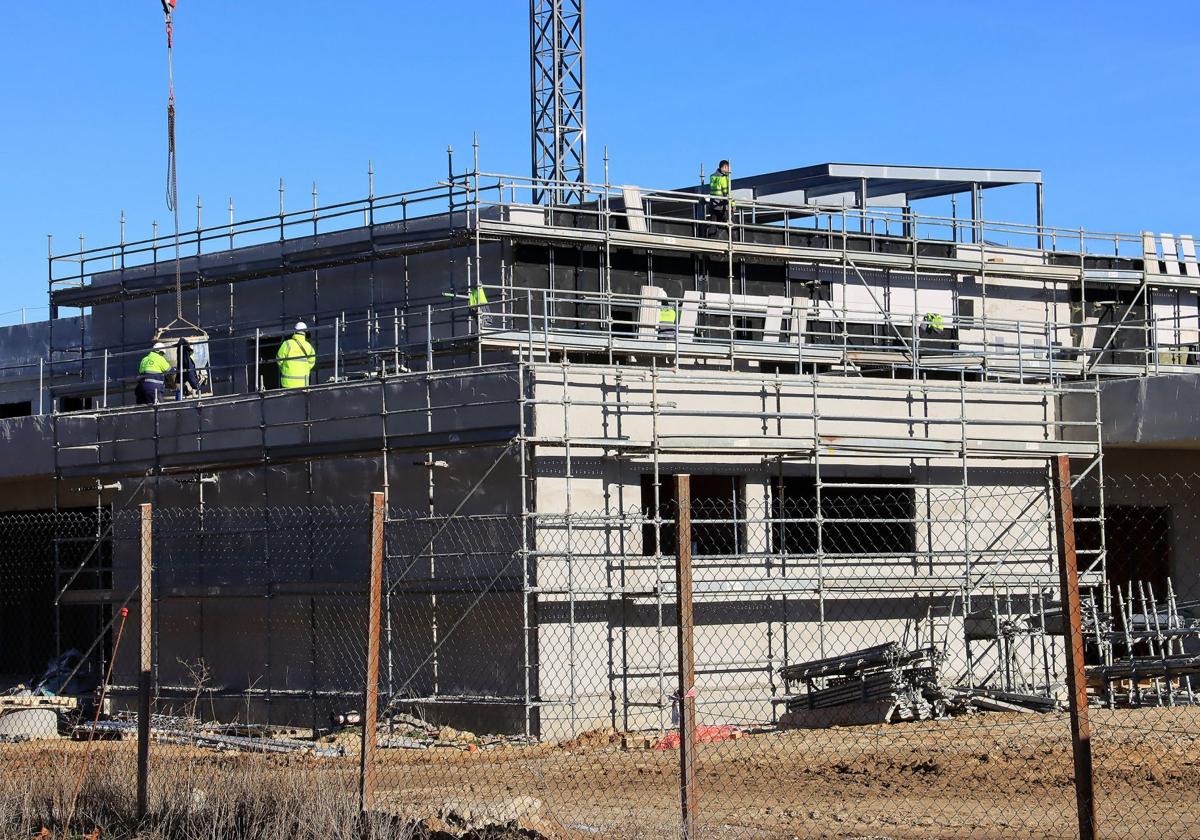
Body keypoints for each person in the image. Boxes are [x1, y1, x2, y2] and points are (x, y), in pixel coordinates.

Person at [276, 321, 316, 389]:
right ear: (305, 333)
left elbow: (279, 359)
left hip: (288, 383)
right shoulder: (309, 346)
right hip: (303, 383)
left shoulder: (287, 344)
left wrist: (284, 369)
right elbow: (311, 363)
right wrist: (304, 367)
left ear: (294, 331)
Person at [708, 160, 733, 234]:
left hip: (712, 205)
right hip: (721, 206)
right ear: (725, 167)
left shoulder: (712, 176)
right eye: (728, 168)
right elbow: (727, 193)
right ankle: (733, 242)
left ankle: (710, 239)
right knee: (730, 224)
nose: (729, 170)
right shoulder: (723, 178)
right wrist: (733, 204)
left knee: (713, 225)